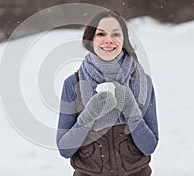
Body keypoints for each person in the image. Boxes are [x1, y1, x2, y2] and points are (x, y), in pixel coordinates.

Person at [56, 10, 158, 176]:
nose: (109, 40)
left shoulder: (142, 82)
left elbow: (149, 146)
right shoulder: (72, 83)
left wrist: (131, 110)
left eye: (116, 34)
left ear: (124, 39)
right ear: (90, 39)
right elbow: (65, 149)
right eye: (101, 34)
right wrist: (88, 116)